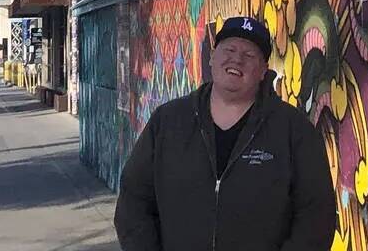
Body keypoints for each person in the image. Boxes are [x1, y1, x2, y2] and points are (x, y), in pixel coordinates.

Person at [115, 16, 336, 251]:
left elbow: (316, 218)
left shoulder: (294, 130)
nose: (237, 59)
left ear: (263, 71)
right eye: (229, 49)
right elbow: (134, 201)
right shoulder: (168, 122)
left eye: (249, 55)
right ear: (212, 57)